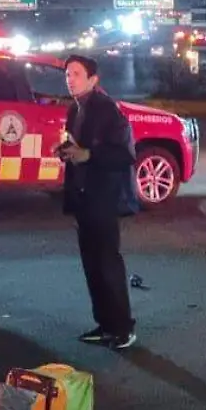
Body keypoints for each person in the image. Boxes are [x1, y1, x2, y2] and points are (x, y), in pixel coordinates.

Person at [59, 54, 140, 349]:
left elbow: (125, 155)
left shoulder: (107, 111)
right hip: (83, 199)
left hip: (104, 199)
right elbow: (77, 149)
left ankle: (123, 328)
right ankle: (104, 324)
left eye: (76, 74)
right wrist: (67, 151)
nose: (70, 79)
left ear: (93, 80)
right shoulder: (75, 110)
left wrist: (89, 155)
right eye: (67, 74)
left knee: (108, 263)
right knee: (91, 265)